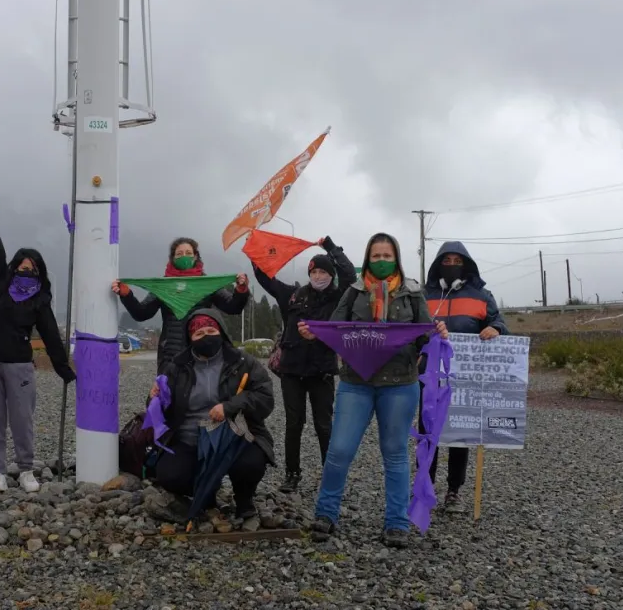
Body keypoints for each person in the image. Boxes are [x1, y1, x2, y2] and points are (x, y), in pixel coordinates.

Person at [298, 232, 448, 547]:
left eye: (387, 256)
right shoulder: (353, 292)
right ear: (368, 258)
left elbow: (424, 336)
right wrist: (315, 334)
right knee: (339, 450)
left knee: (394, 454)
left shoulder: (412, 293)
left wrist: (437, 332)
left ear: (396, 259)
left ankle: (396, 523)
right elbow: (336, 329)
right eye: (376, 256)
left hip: (399, 384)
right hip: (355, 384)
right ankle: (326, 514)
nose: (381, 261)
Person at [0, 193, 76, 494]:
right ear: (14, 266)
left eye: (32, 267)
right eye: (21, 265)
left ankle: (27, 469)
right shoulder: (0, 283)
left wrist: (64, 369)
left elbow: (51, 337)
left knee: (22, 419)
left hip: (19, 364)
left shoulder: (40, 299)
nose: (25, 270)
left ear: (39, 271)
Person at [251, 236, 356, 494]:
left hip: (322, 371)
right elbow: (267, 280)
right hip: (292, 371)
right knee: (293, 423)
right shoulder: (294, 295)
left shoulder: (339, 297)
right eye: (314, 271)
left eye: (323, 271)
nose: (318, 275)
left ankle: (329, 474)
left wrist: (331, 247)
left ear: (330, 275)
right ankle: (292, 473)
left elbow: (349, 274)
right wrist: (257, 254)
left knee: (324, 424)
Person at [150, 310, 275, 519]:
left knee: (251, 462)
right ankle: (206, 494)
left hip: (233, 435)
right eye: (199, 334)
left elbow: (265, 397)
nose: (206, 336)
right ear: (190, 338)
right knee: (169, 475)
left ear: (221, 332)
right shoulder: (176, 367)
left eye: (211, 330)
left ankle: (244, 499)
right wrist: (155, 397)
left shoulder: (243, 361)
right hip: (190, 438)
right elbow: (161, 411)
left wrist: (229, 406)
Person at [421, 241, 508, 512]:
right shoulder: (423, 295)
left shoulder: (482, 295)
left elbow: (499, 322)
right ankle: (424, 488)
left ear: (466, 264)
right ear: (437, 265)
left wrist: (495, 329)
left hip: (465, 377)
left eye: (456, 260)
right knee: (427, 432)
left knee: (460, 433)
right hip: (429, 375)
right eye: (445, 261)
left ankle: (454, 491)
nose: (451, 265)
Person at [111, 237, 250, 368]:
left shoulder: (206, 284)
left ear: (195, 256)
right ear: (172, 258)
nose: (184, 256)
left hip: (202, 351)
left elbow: (233, 307)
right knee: (167, 391)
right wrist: (127, 295)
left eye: (188, 253)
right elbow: (142, 313)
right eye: (179, 254)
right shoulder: (164, 286)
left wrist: (241, 290)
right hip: (171, 353)